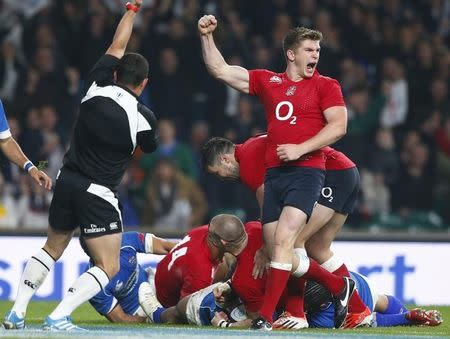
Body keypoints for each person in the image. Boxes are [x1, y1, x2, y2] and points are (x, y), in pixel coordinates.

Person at [4, 0, 159, 331]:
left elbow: (117, 45)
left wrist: (131, 9)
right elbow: (147, 149)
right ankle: (59, 315)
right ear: (143, 84)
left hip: (66, 181)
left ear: (115, 73)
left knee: (52, 248)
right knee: (109, 264)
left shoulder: (97, 84)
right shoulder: (143, 118)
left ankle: (17, 312)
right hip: (98, 192)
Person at [198, 15, 352, 330]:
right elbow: (220, 70)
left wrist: (301, 148)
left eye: (318, 50)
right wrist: (206, 36)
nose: (315, 55)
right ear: (291, 54)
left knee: (285, 240)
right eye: (309, 50)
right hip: (276, 176)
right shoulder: (270, 82)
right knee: (276, 248)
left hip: (307, 171)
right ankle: (339, 286)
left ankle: (266, 318)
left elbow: (339, 126)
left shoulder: (326, 85)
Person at [201, 135, 369, 328]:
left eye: (217, 173)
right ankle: (357, 309)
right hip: (343, 171)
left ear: (224, 159)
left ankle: (297, 312)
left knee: (292, 241)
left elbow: (269, 206)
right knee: (318, 247)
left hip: (330, 174)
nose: (221, 178)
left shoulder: (247, 162)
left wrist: (265, 246)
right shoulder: (252, 147)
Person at [154, 214, 248, 308]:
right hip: (167, 303)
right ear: (223, 242)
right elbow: (184, 311)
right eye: (236, 241)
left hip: (164, 273)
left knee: (231, 262)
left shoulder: (206, 231)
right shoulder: (201, 271)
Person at [81, 232, 176, 323]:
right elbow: (121, 319)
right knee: (175, 315)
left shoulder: (125, 241)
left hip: (155, 285)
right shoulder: (93, 283)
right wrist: (149, 319)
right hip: (140, 310)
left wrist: (189, 250)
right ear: (88, 251)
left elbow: (168, 247)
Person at [304, 272, 443, 328]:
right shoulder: (324, 276)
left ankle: (407, 317)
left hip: (355, 305)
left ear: (322, 305)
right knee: (381, 300)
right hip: (355, 280)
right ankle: (412, 315)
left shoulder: (322, 320)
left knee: (366, 321)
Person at [138, 281, 251, 328]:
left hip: (239, 317)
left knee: (183, 310)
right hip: (241, 302)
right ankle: (158, 315)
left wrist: (224, 325)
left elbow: (262, 322)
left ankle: (157, 315)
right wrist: (228, 285)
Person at [0, 99, 51, 191]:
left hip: (27, 187)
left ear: (19, 129)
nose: (12, 132)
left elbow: (44, 160)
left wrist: (33, 170)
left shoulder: (28, 143)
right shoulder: (2, 147)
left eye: (14, 129)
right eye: (10, 129)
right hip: (7, 187)